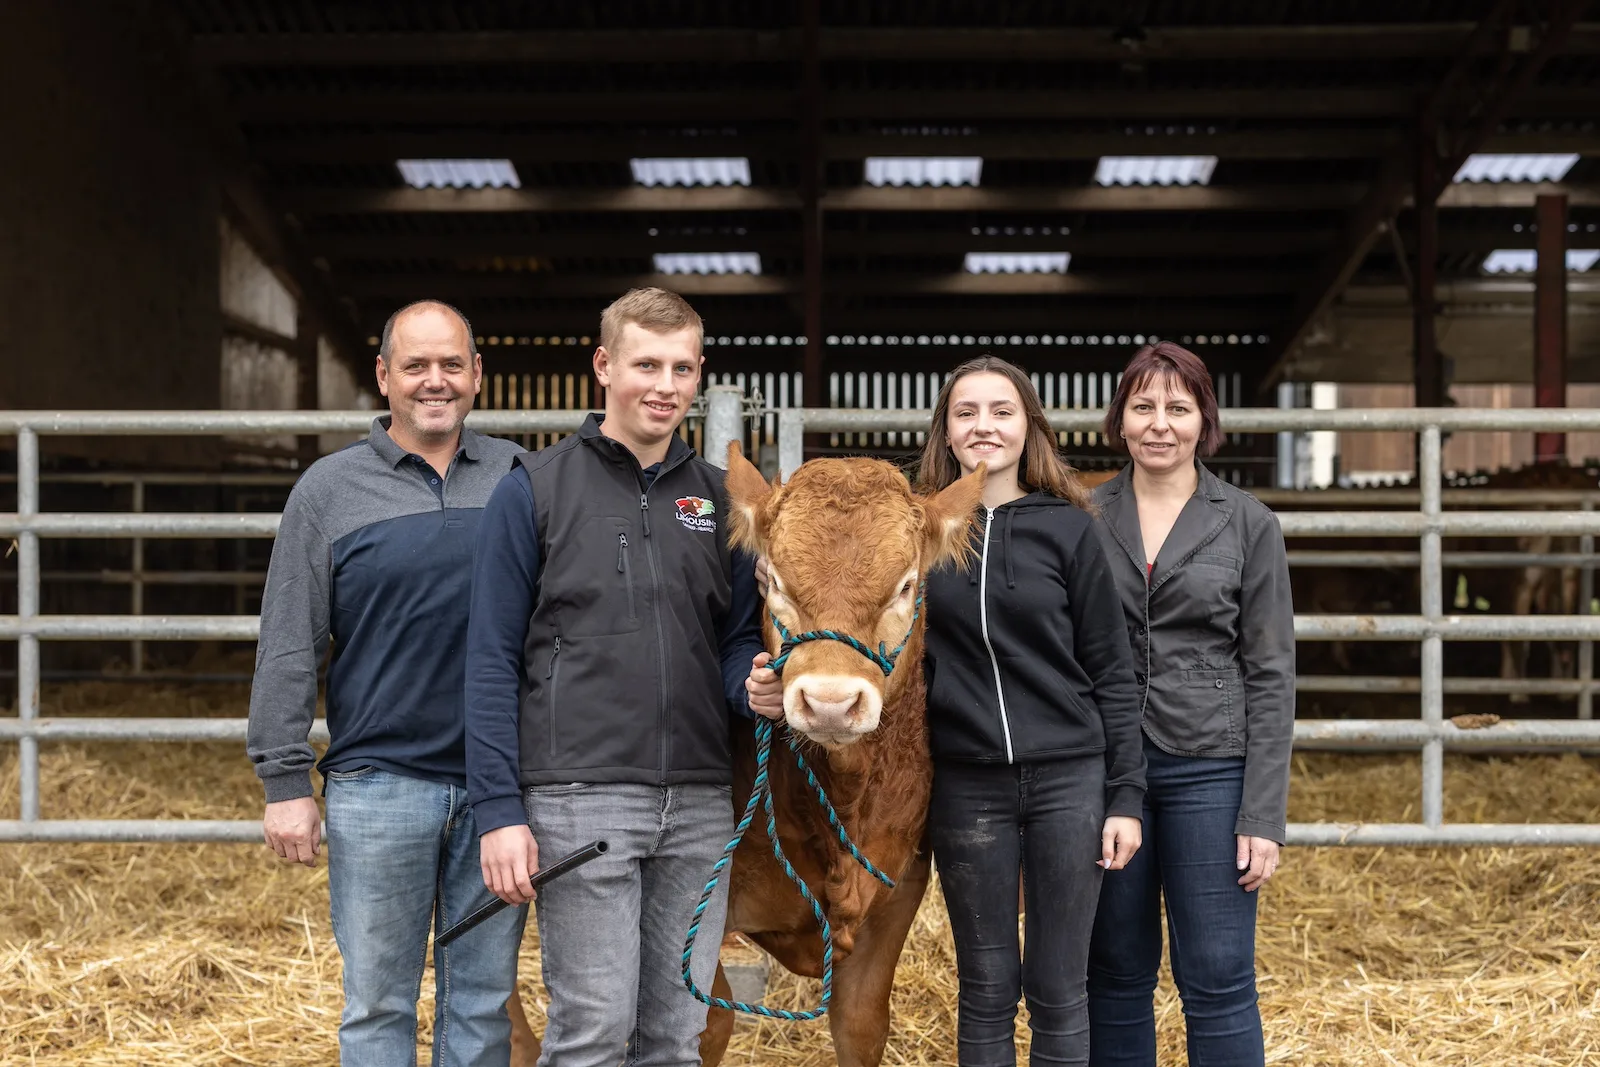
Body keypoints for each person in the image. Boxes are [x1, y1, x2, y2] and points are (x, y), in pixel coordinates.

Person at [464, 287, 767, 1067]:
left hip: (700, 801)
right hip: (580, 796)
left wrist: (754, 686)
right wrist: (500, 808)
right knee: (593, 1030)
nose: (664, 385)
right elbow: (491, 657)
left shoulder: (719, 499)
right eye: (646, 364)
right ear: (604, 365)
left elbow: (732, 642)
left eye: (682, 368)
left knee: (676, 1035)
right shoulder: (533, 488)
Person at [246, 300, 527, 1066]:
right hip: (378, 787)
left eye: (450, 365)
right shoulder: (328, 490)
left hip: (498, 790)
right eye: (415, 365)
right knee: (377, 1004)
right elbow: (289, 638)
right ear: (383, 377)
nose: (434, 381)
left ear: (476, 375)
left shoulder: (520, 476)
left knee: (481, 1005)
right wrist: (283, 778)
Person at [915, 355, 1147, 1067]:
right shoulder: (918, 531)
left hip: (1067, 780)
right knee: (985, 985)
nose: (984, 425)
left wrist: (1126, 793)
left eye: (1001, 411)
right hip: (967, 782)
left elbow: (1113, 667)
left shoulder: (1072, 529)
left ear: (1028, 426)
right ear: (946, 432)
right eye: (967, 412)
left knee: (1057, 986)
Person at [1085, 341, 1294, 1067]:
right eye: (1143, 406)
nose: (1159, 424)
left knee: (1217, 973)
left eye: (1178, 407)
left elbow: (1271, 673)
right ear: (1120, 420)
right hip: (1109, 775)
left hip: (1213, 769)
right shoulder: (1083, 516)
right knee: (1113, 971)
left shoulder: (1247, 522)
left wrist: (1263, 814)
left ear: (1205, 419)